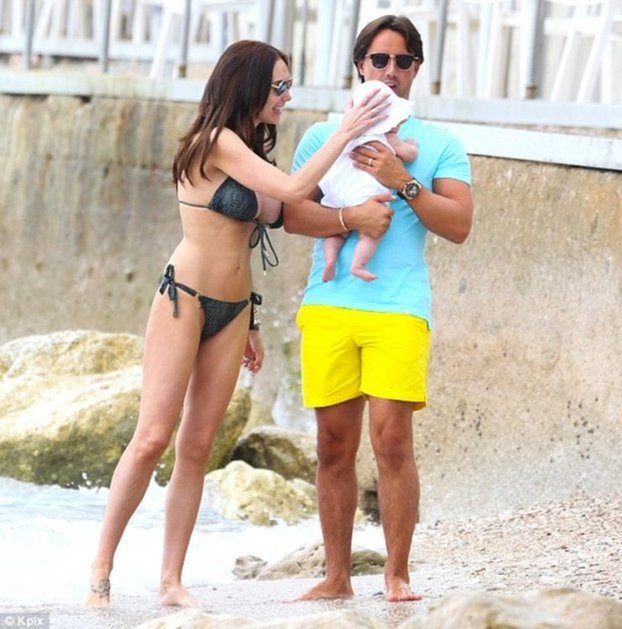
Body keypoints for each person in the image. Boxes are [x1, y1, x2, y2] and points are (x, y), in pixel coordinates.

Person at [86, 39, 389, 609]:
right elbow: (293, 190)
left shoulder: (250, 147)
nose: (286, 96)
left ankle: (171, 582)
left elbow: (277, 217)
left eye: (289, 85)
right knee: (152, 438)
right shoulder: (217, 141)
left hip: (232, 310)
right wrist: (345, 130)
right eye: (279, 86)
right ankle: (100, 570)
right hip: (185, 300)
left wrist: (252, 318)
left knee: (198, 445)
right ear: (248, 86)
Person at [284, 15, 473, 602]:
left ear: (417, 68)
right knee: (331, 445)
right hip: (330, 303)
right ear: (360, 66)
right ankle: (337, 577)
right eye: (379, 60)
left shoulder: (438, 144)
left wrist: (402, 180)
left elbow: (459, 225)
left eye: (403, 60)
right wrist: (349, 217)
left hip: (399, 308)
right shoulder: (323, 135)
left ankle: (397, 575)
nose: (391, 71)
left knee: (392, 441)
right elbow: (291, 214)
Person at [319, 80, 417, 282]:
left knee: (336, 231)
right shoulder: (387, 137)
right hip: (364, 194)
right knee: (372, 232)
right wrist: (411, 146)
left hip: (337, 188)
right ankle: (358, 265)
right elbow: (409, 155)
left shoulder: (347, 133)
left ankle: (330, 260)